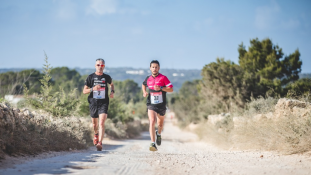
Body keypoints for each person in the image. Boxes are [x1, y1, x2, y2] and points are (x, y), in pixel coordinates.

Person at [83, 58, 115, 151]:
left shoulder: (107, 77)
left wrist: (112, 91)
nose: (100, 67)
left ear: (104, 66)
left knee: (101, 122)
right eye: (98, 65)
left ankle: (100, 143)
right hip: (93, 102)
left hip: (103, 102)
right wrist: (93, 89)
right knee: (94, 124)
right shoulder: (90, 77)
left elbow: (111, 84)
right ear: (95, 66)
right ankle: (96, 134)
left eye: (102, 65)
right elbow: (84, 91)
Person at [142, 60, 173, 151]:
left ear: (159, 68)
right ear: (150, 68)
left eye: (156, 67)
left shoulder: (163, 78)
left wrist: (162, 88)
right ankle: (153, 143)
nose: (154, 69)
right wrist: (144, 92)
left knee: (160, 124)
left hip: (161, 105)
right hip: (151, 104)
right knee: (152, 121)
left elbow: (171, 89)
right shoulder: (148, 78)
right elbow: (144, 85)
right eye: (153, 67)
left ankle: (158, 134)